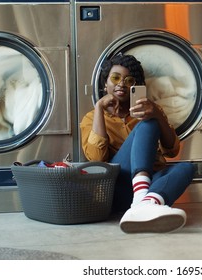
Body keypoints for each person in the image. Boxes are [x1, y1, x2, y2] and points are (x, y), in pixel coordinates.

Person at [80, 54, 195, 233]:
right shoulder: (91, 118)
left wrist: (157, 113)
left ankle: (145, 206)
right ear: (105, 83)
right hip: (120, 187)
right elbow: (97, 159)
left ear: (136, 86)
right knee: (148, 123)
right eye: (115, 78)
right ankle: (142, 198)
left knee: (187, 168)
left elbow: (172, 151)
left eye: (129, 80)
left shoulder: (149, 110)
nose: (121, 84)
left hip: (151, 183)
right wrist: (99, 109)